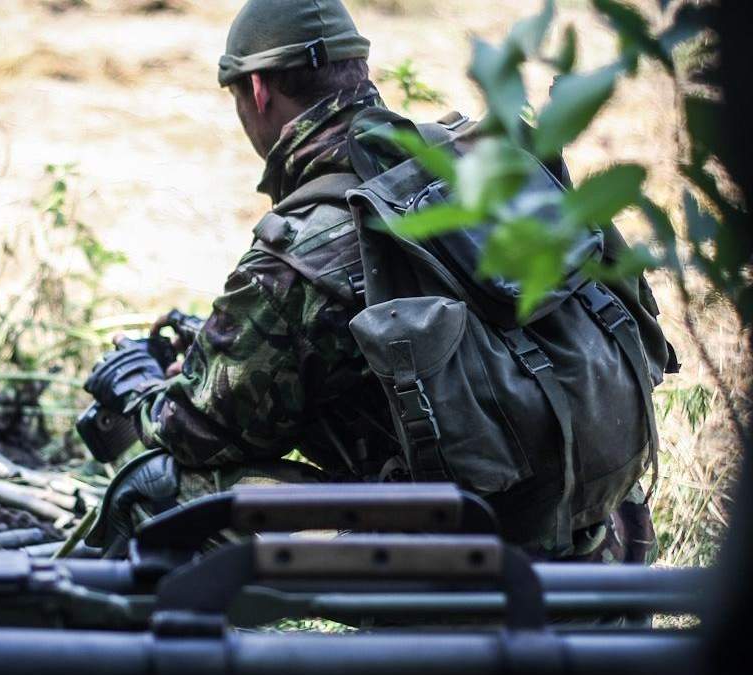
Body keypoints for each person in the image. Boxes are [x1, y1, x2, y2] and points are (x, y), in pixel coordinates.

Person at [83, 0, 670, 566]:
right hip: (598, 523)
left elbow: (201, 431)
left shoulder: (307, 245)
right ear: (357, 71)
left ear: (257, 91)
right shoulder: (478, 159)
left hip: (464, 557)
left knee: (155, 490)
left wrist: (138, 393)